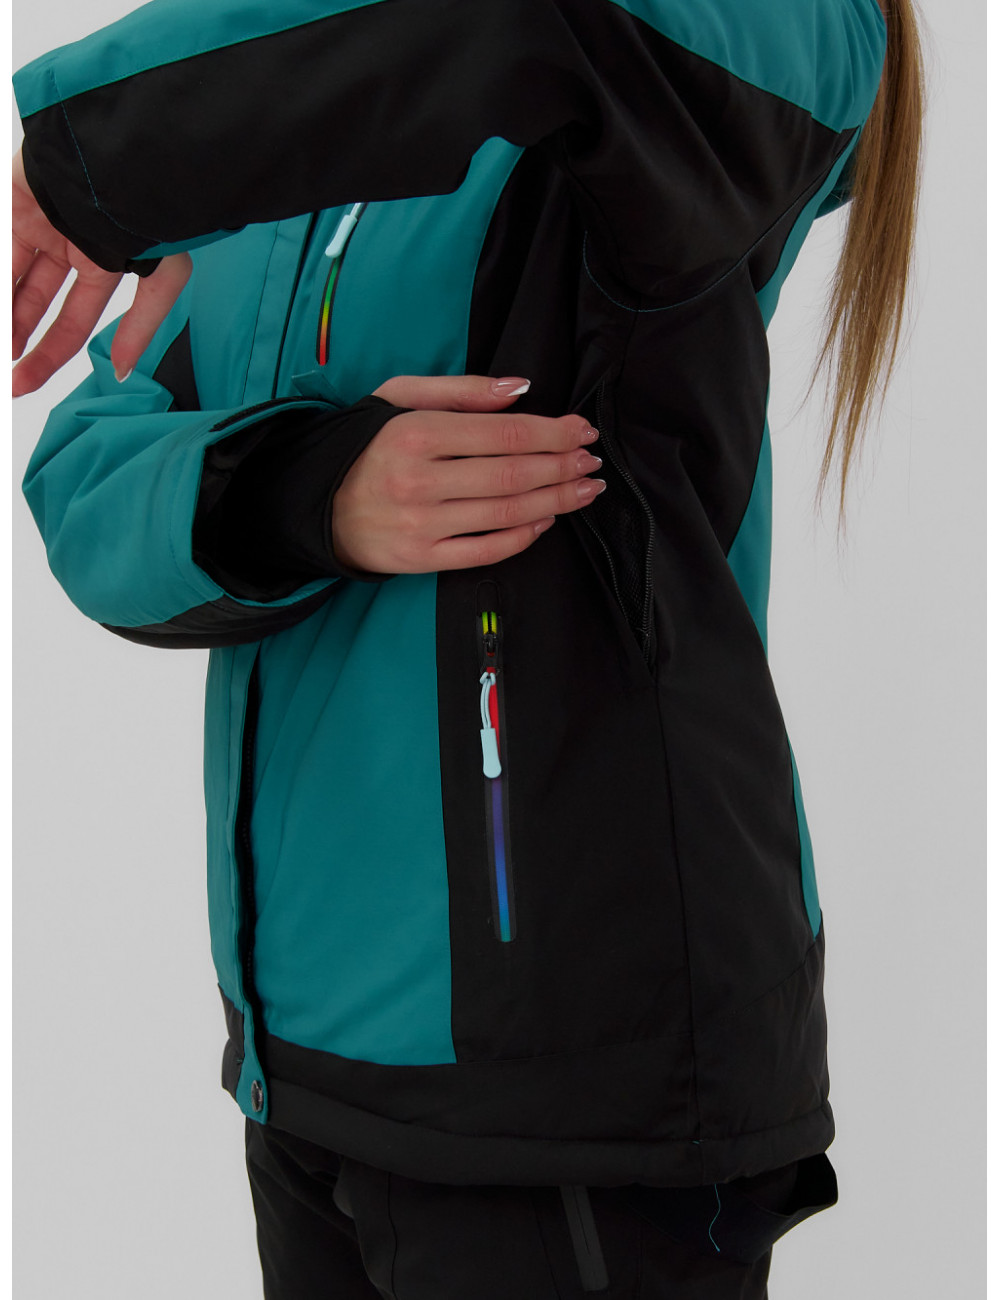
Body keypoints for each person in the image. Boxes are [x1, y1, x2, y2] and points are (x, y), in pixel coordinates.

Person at [11, 0, 923, 1295]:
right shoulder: (276, 164)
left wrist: (93, 157)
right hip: (307, 1074)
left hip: (574, 1085)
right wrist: (312, 489)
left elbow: (530, 21)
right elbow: (86, 477)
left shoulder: (760, 39)